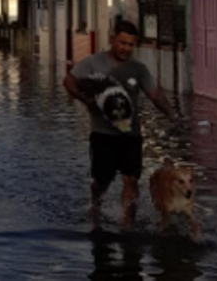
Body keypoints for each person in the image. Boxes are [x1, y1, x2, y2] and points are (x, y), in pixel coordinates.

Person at [63, 20, 182, 230]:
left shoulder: (138, 69)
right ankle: (96, 202)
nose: (126, 48)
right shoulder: (93, 63)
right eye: (122, 43)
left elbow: (154, 94)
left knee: (131, 180)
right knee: (102, 181)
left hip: (131, 134)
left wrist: (171, 113)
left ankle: (127, 223)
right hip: (102, 134)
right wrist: (86, 101)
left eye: (130, 45)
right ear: (112, 39)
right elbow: (69, 81)